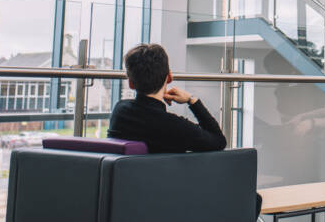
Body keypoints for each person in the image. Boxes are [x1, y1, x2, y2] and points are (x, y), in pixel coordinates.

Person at [108, 43, 262, 218]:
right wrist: (192, 101)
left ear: (130, 83)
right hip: (171, 201)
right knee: (252, 198)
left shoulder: (120, 111)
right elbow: (219, 141)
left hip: (128, 199)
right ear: (169, 77)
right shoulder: (172, 126)